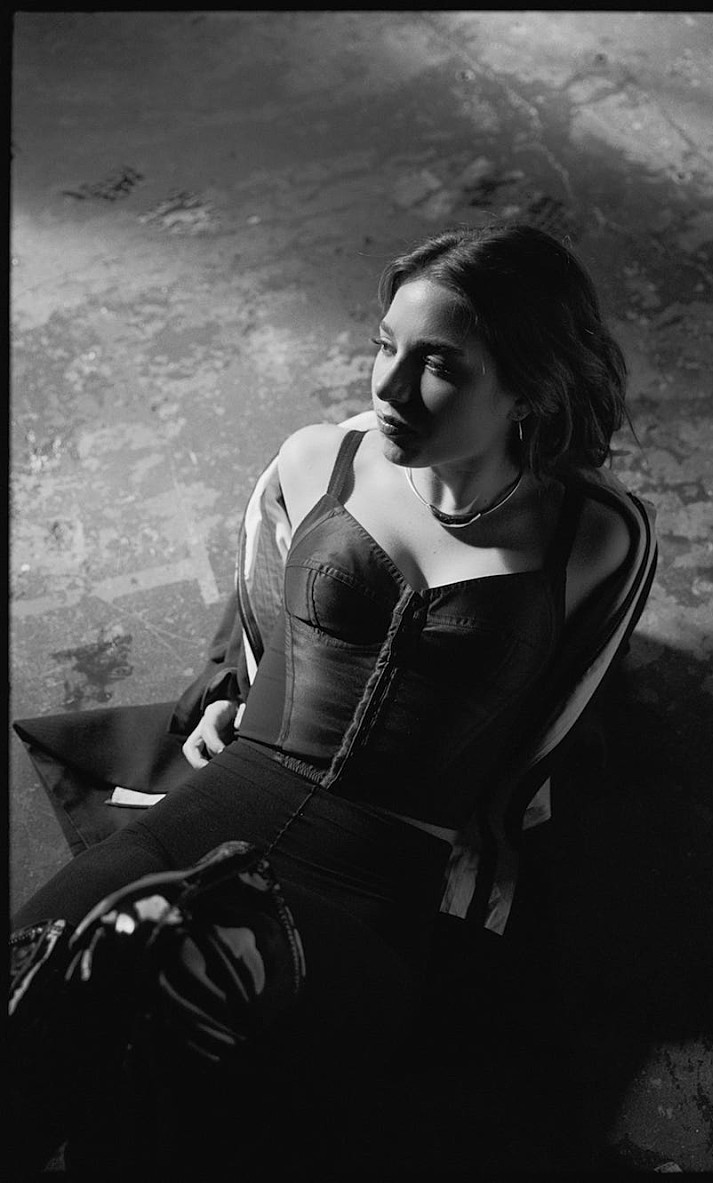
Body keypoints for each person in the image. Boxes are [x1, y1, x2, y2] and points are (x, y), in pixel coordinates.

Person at [11, 222, 639, 1175]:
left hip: (374, 884)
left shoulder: (594, 537)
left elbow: (563, 708)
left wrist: (510, 832)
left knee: (186, 1016)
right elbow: (262, 594)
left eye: (439, 365)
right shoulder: (318, 460)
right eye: (386, 346)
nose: (390, 387)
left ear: (529, 387)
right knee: (39, 989)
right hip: (214, 810)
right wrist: (230, 686)